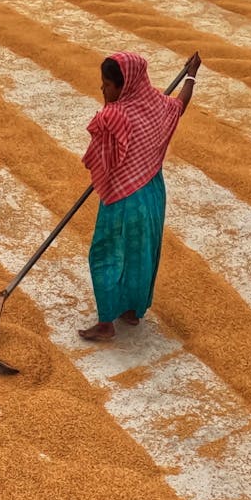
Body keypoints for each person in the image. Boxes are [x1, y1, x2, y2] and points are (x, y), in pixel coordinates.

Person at [78, 50, 201, 341]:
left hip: (123, 200)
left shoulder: (113, 115)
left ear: (124, 85)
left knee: (105, 254)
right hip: (152, 194)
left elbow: (100, 156)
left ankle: (106, 322)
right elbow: (179, 105)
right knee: (140, 254)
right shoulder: (155, 103)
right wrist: (192, 74)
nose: (103, 90)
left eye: (108, 85)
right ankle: (132, 312)